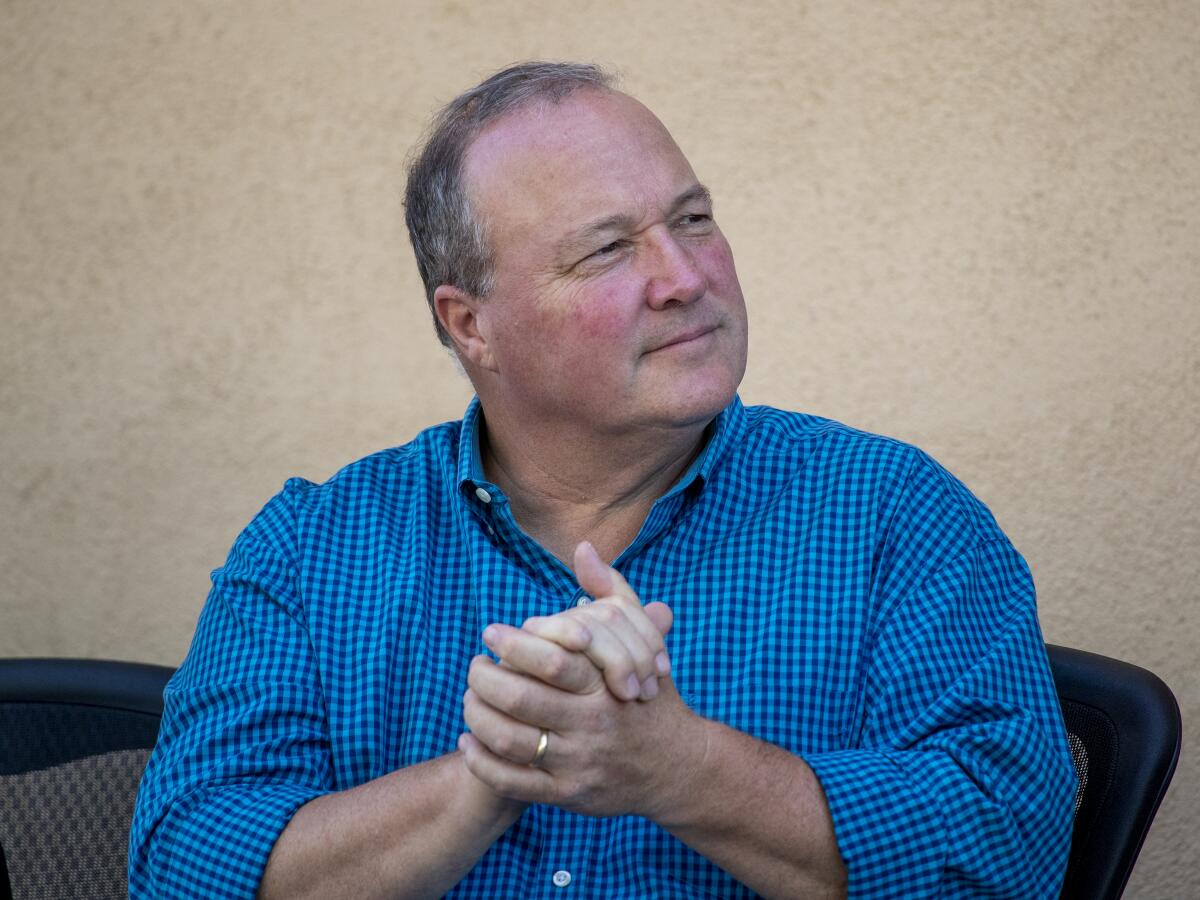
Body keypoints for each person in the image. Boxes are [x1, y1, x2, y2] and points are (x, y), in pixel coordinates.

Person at [129, 62, 1075, 898]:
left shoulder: (895, 516)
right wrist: (488, 773)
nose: (683, 276)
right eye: (609, 249)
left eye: (693, 220)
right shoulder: (312, 550)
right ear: (471, 326)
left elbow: (1015, 851)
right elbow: (182, 866)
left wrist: (681, 768)